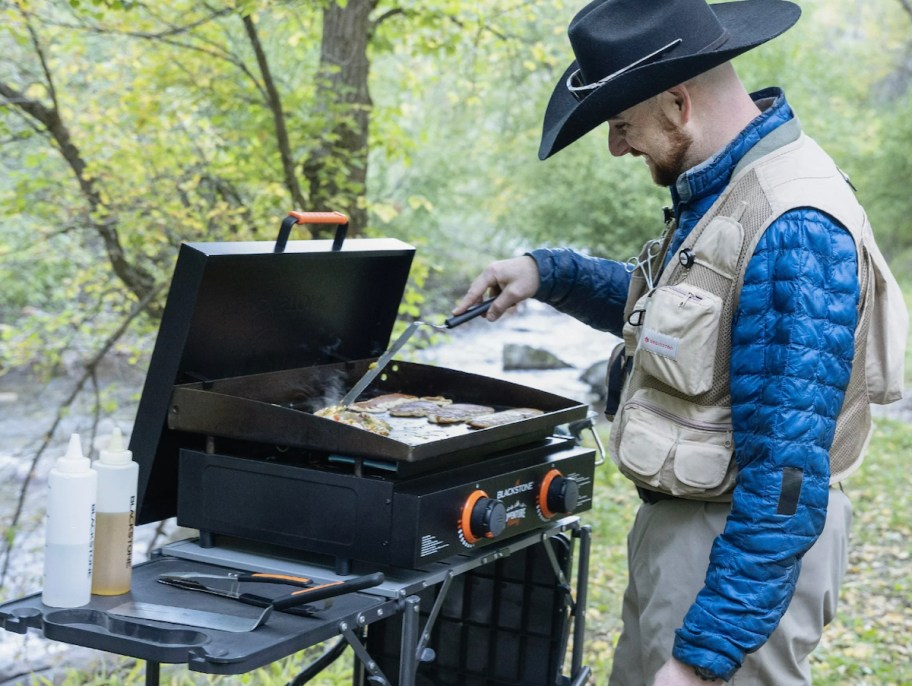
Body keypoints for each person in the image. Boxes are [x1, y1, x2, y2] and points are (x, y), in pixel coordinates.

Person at [453, 0, 890, 684]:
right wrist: (547, 274)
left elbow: (785, 481)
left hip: (733, 557)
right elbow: (676, 319)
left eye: (621, 125)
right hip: (690, 536)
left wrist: (702, 658)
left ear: (679, 103)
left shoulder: (795, 226)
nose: (617, 146)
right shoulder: (728, 191)